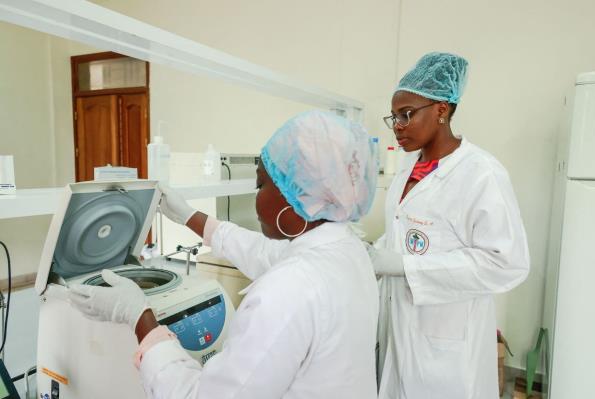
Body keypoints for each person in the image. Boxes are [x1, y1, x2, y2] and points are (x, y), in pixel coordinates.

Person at [69, 110, 380, 399]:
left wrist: (140, 317)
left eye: (261, 185)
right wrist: (188, 216)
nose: (256, 199)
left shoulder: (288, 290)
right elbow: (263, 252)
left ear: (298, 196)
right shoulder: (346, 250)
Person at [368, 52, 530, 399]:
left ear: (442, 110)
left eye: (407, 114)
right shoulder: (407, 168)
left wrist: (402, 266)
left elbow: (507, 263)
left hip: (446, 343)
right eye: (394, 116)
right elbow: (412, 234)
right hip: (399, 326)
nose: (398, 125)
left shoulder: (481, 173)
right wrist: (375, 252)